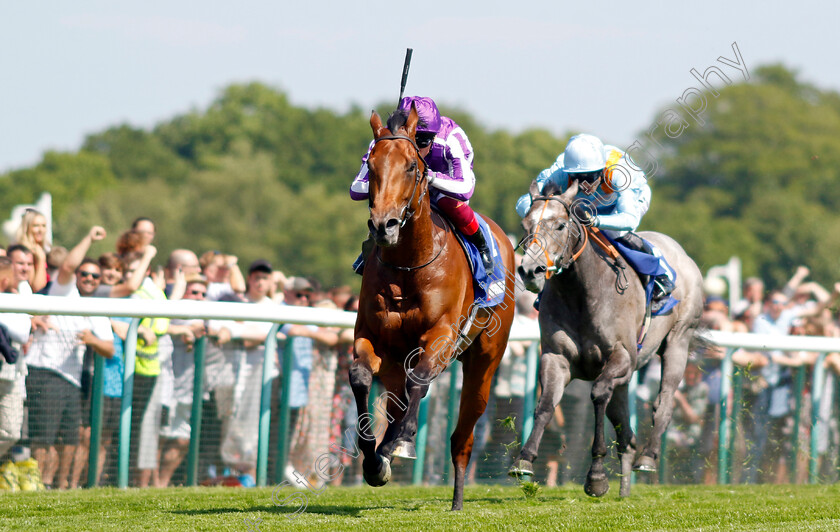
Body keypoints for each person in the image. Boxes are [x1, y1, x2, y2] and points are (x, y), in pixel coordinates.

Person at [515, 133, 674, 309]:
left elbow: (629, 220)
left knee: (613, 232)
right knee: (563, 233)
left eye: (589, 177)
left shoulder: (618, 174)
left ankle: (661, 273)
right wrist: (541, 215)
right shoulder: (558, 173)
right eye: (578, 177)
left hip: (629, 199)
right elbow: (523, 203)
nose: (584, 184)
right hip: (589, 204)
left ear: (601, 169)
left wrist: (594, 221)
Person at [350, 95, 495, 272]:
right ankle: (373, 242)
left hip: (443, 186)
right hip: (404, 189)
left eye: (422, 142)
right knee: (382, 199)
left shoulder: (451, 139)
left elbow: (465, 189)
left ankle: (481, 245)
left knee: (449, 203)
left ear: (434, 137)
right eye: (412, 138)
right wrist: (385, 181)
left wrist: (427, 176)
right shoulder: (384, 140)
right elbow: (356, 189)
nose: (416, 148)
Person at [25, 227, 115, 489]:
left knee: (70, 440)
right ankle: (40, 486)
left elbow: (109, 349)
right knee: (44, 437)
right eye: (84, 273)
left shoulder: (96, 307)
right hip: (45, 372)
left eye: (94, 276)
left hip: (73, 380)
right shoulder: (64, 292)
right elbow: (68, 264)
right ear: (76, 276)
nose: (89, 278)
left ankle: (62, 487)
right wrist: (89, 237)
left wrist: (92, 340)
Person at [12, 209, 49, 293]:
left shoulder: (41, 250)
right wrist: (41, 259)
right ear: (27, 228)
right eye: (36, 226)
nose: (40, 230)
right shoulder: (25, 253)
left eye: (43, 226)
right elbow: (38, 288)